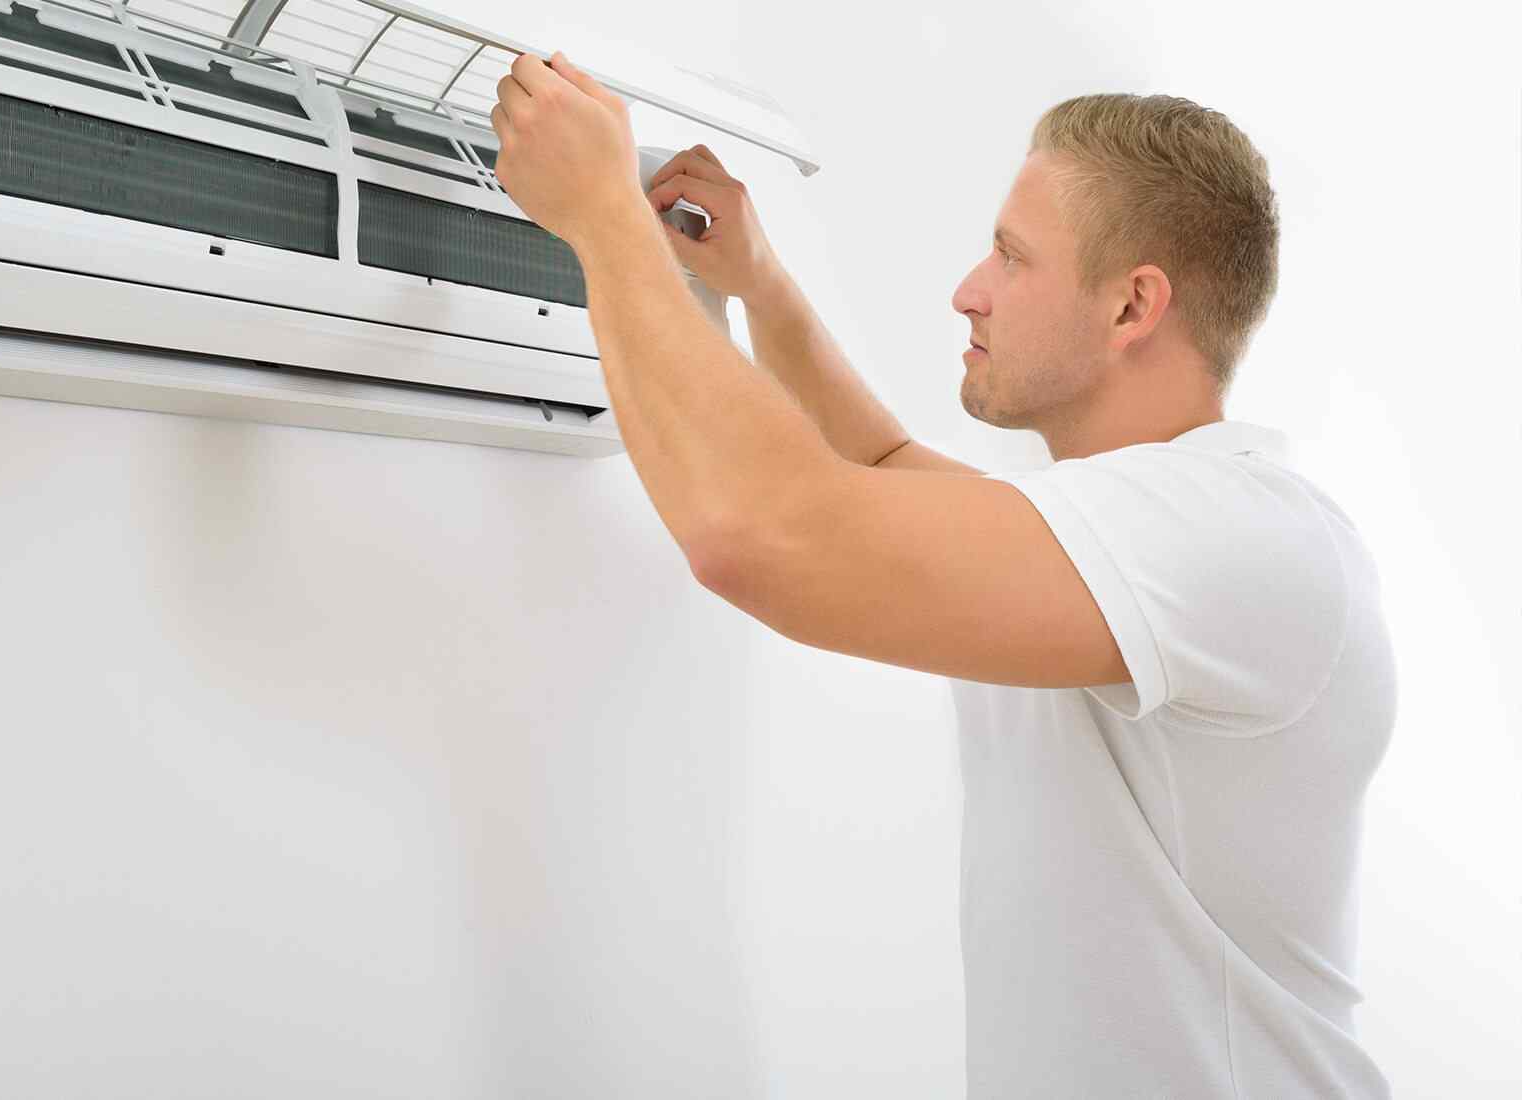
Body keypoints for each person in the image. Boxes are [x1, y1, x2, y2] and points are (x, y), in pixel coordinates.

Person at [489, 53, 1394, 1097]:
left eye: (1011, 256)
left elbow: (764, 534)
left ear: (1132, 307)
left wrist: (603, 217)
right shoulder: (1131, 532)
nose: (969, 292)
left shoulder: (1238, 531)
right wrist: (760, 286)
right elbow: (877, 468)